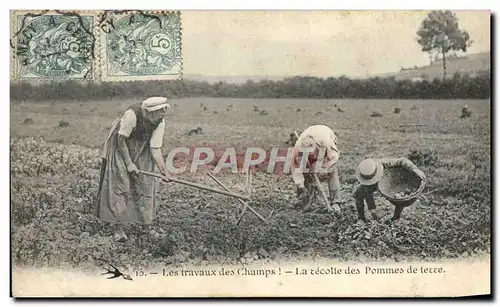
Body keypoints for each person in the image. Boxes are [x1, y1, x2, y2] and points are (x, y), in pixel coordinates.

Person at [95, 97, 172, 242]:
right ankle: (118, 229)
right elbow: (121, 140)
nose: (159, 121)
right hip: (121, 146)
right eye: (157, 118)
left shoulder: (160, 120)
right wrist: (129, 163)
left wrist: (164, 170)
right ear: (149, 113)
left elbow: (155, 148)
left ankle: (146, 227)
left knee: (145, 184)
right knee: (120, 184)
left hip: (142, 147)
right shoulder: (131, 115)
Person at [353, 157, 426, 223]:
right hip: (372, 186)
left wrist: (414, 169)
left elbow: (401, 160)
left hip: (388, 182)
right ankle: (361, 218)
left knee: (398, 199)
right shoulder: (364, 176)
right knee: (358, 194)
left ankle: (396, 218)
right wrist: (372, 208)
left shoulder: (383, 163)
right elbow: (367, 192)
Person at [290, 125, 341, 211]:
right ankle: (304, 198)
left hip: (325, 133)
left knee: (332, 171)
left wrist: (324, 168)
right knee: (304, 170)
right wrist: (301, 186)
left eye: (312, 155)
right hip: (309, 135)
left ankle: (336, 202)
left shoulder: (326, 142)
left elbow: (334, 157)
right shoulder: (298, 148)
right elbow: (295, 168)